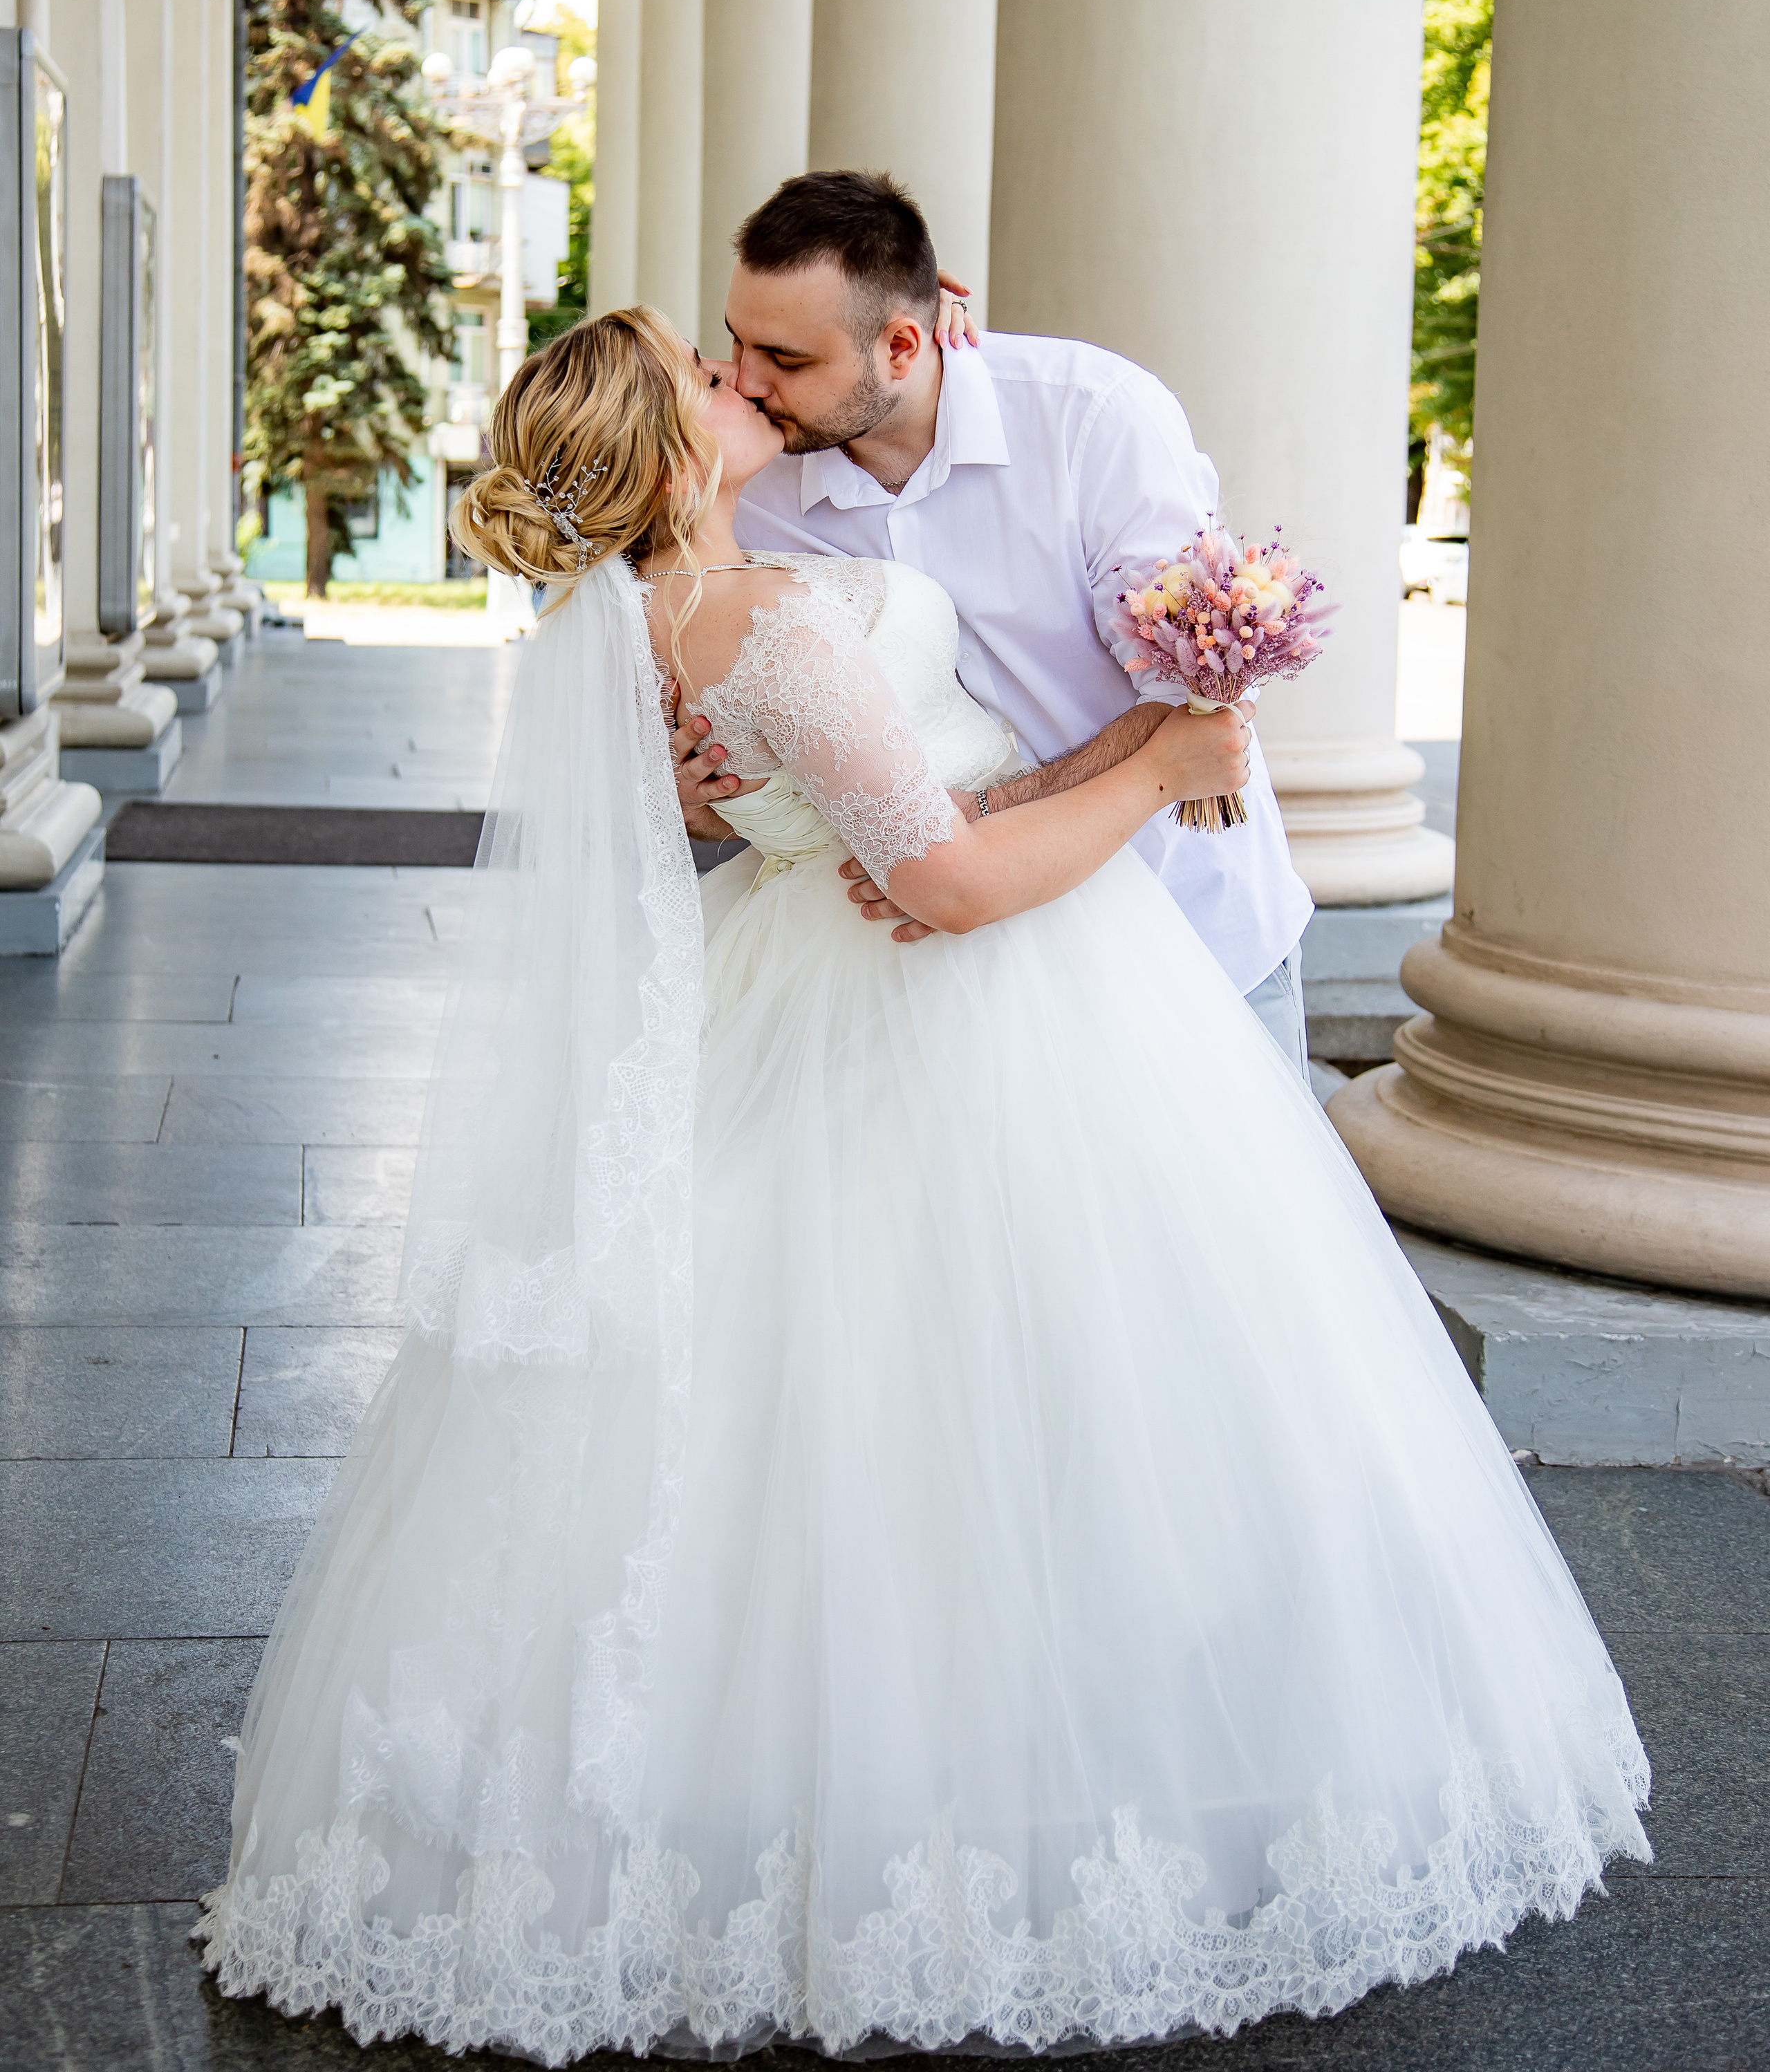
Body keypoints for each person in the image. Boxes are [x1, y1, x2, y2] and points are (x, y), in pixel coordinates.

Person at [199, 306, 1648, 2064]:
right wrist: (1168, 772)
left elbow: (876, 798)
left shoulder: (679, 617)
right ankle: (1007, 1794)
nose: (743, 384)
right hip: (944, 1000)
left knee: (898, 1407)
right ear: (670, 457)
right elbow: (952, 885)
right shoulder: (764, 615)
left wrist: (1119, 745)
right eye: (711, 377)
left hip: (822, 976)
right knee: (1000, 1404)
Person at [674, 170, 1316, 1074]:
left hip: (1188, 916)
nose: (747, 381)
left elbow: (1193, 715)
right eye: (739, 343)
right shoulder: (753, 481)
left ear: (904, 345)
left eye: (786, 360)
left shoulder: (1094, 421)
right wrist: (706, 791)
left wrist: (970, 823)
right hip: (952, 984)